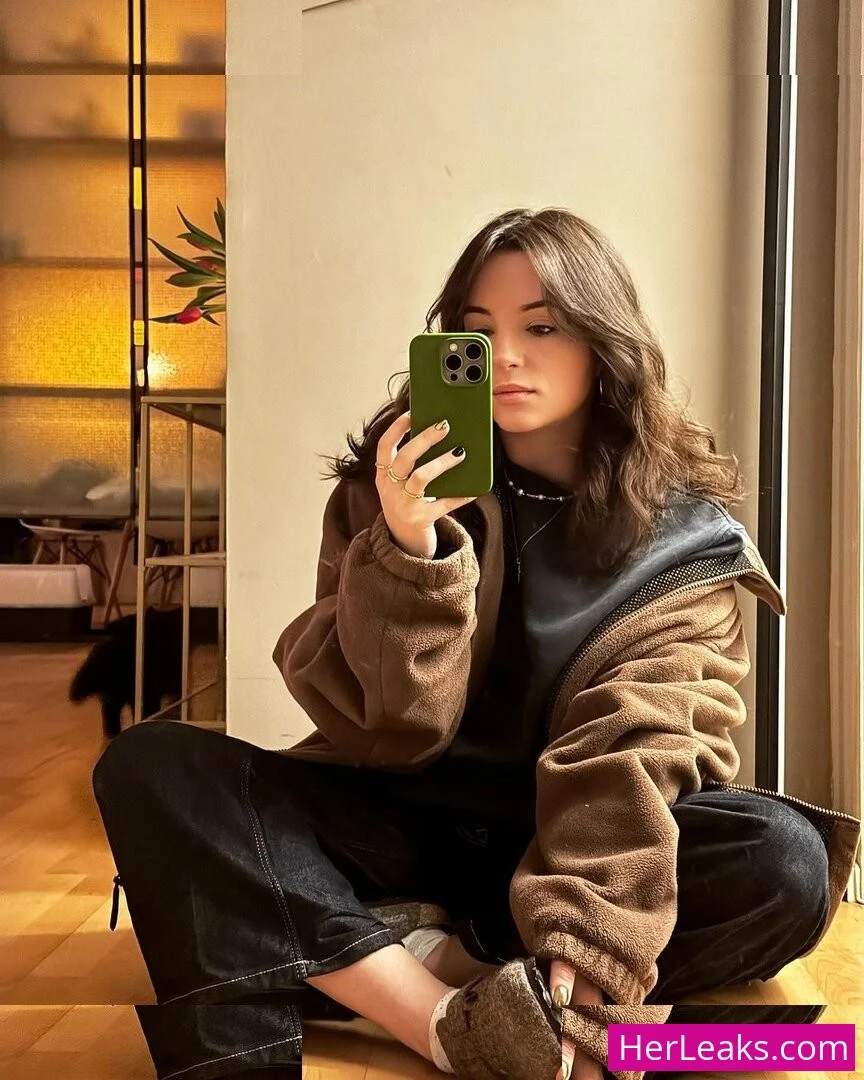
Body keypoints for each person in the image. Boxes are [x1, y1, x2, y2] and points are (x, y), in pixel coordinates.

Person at [92, 208, 859, 1080]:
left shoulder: (684, 543)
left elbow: (635, 753)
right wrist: (411, 553)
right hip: (396, 820)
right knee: (153, 767)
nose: (506, 357)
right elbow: (389, 732)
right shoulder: (386, 495)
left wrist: (588, 938)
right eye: (478, 331)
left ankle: (408, 960)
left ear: (604, 343)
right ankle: (440, 1023)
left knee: (784, 862)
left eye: (543, 327)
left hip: (560, 845)